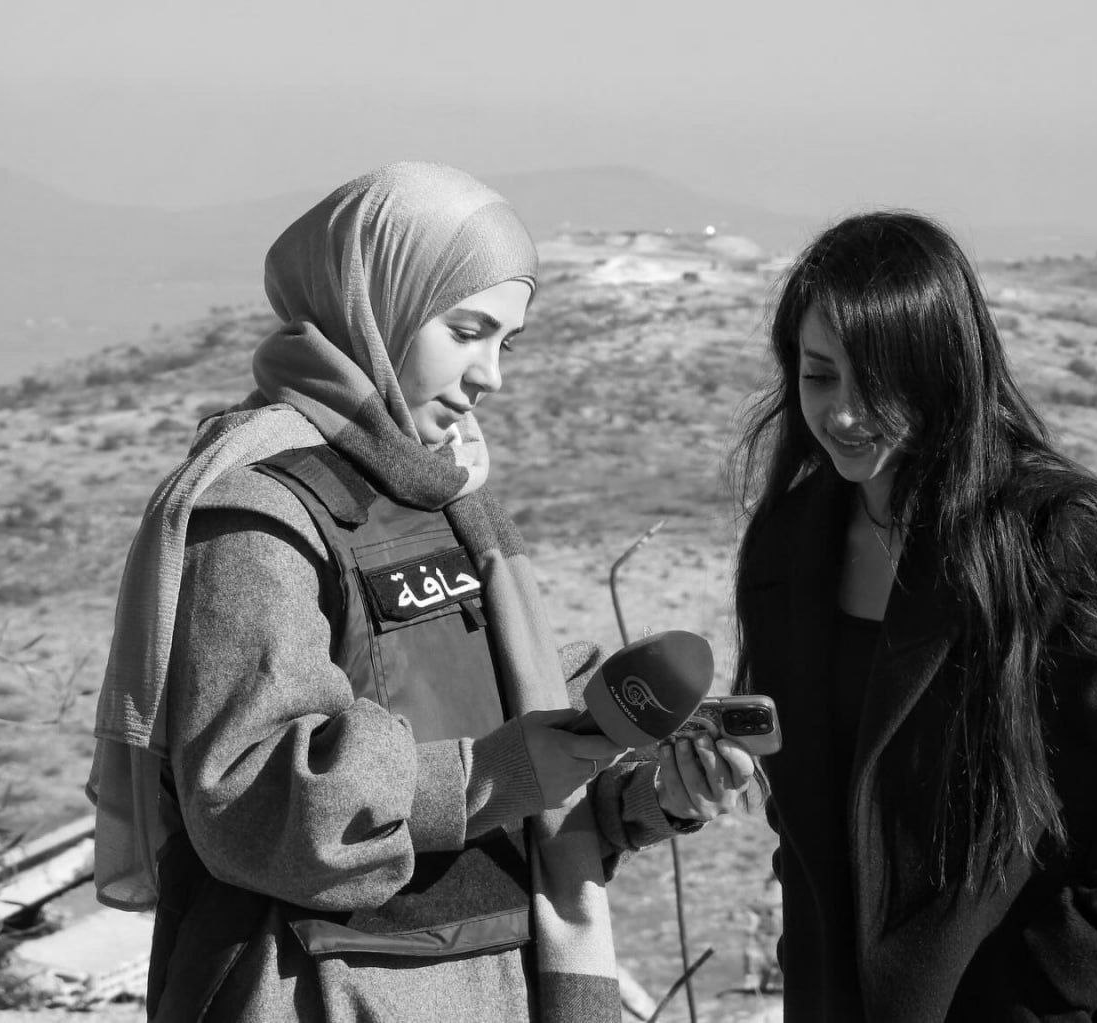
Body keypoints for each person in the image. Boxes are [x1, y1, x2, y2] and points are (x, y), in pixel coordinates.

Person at [87, 161, 755, 1023]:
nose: (490, 375)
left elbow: (519, 763)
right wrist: (492, 774)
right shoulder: (260, 511)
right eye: (467, 331)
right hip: (322, 992)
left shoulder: (456, 505)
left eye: (505, 342)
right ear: (378, 303)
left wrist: (649, 792)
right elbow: (253, 797)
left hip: (496, 985)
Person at [732, 210, 1097, 1022]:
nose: (844, 412)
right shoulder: (787, 548)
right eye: (820, 376)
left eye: (878, 380)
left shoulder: (1054, 532)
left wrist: (1053, 979)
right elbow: (808, 817)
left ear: (943, 368)